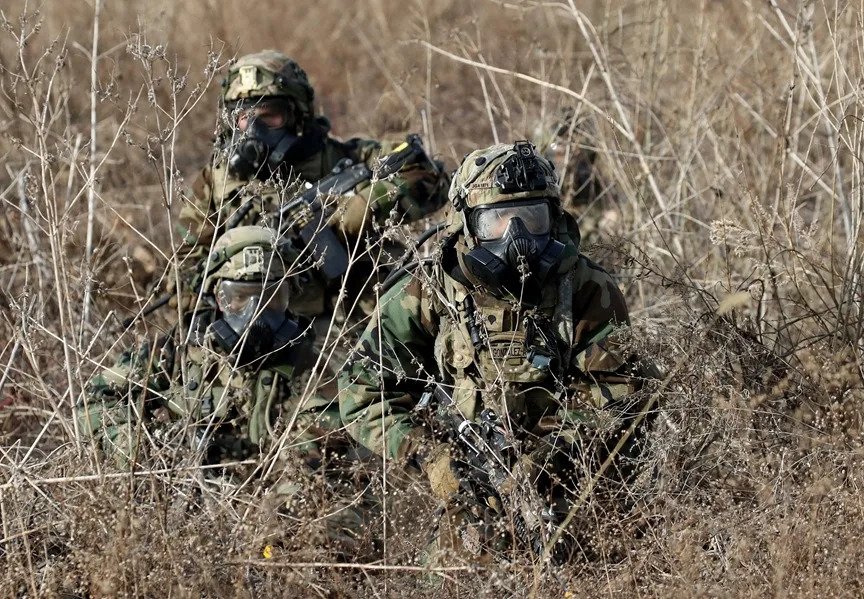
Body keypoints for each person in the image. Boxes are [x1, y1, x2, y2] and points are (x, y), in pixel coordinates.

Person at [338, 141, 654, 563]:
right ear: (466, 224)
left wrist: (553, 452)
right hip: (470, 489)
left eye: (531, 219)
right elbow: (362, 390)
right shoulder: (428, 291)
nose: (517, 240)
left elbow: (619, 389)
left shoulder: (584, 287)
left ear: (554, 218)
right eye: (498, 222)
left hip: (571, 483)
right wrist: (431, 457)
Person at [174, 50, 448, 318]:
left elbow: (428, 173)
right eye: (244, 117)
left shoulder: (345, 157)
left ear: (298, 114)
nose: (255, 130)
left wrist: (361, 209)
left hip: (351, 325)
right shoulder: (218, 181)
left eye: (269, 115)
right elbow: (186, 268)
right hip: (261, 331)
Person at [80, 226, 339, 469]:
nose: (255, 313)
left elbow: (327, 437)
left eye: (271, 297)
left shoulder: (306, 362)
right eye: (238, 297)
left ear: (289, 297)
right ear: (218, 297)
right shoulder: (178, 351)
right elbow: (96, 399)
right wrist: (139, 451)